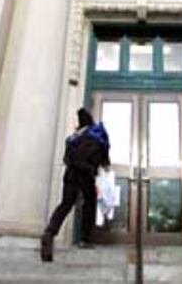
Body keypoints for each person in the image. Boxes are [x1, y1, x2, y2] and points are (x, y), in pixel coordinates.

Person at [40, 107, 110, 262]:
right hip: (86, 174)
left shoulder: (73, 138)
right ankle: (85, 239)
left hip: (71, 174)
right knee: (89, 204)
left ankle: (50, 232)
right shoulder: (98, 135)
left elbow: (66, 159)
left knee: (66, 204)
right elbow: (105, 159)